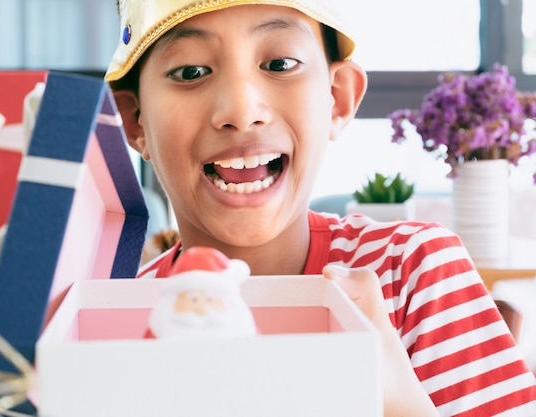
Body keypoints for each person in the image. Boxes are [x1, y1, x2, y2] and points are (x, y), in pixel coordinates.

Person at [106, 1, 536, 416]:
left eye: (279, 65)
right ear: (135, 119)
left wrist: (400, 405)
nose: (241, 111)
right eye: (191, 71)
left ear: (338, 97)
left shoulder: (413, 272)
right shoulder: (111, 315)